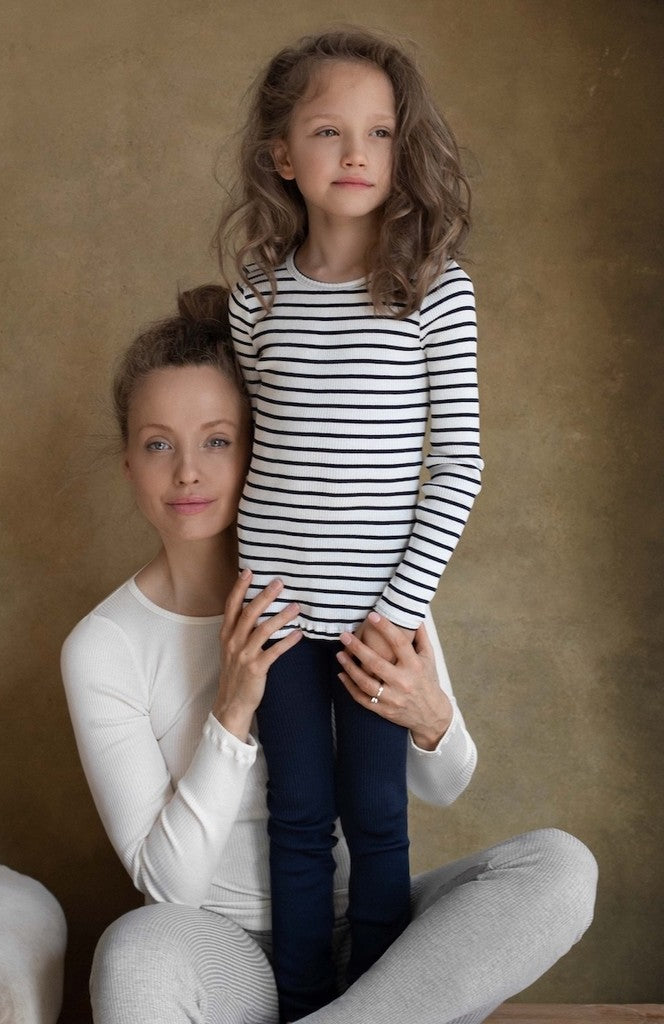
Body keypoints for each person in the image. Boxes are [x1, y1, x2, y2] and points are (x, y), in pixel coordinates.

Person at [61, 287, 596, 1024]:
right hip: (230, 955)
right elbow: (169, 888)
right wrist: (231, 711)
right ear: (127, 462)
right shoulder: (104, 645)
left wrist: (429, 715)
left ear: (266, 445)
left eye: (217, 441)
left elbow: (444, 785)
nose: (187, 472)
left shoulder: (360, 575)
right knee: (133, 952)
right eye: (159, 445)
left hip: (388, 945)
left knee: (559, 866)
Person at [214, 28, 483, 1017]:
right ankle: (299, 1001)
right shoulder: (256, 298)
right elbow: (257, 454)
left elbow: (459, 467)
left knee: (375, 818)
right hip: (278, 616)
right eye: (328, 131)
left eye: (379, 132)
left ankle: (377, 1003)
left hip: (381, 622)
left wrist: (399, 612)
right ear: (283, 154)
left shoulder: (435, 291)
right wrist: (250, 594)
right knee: (297, 817)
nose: (357, 153)